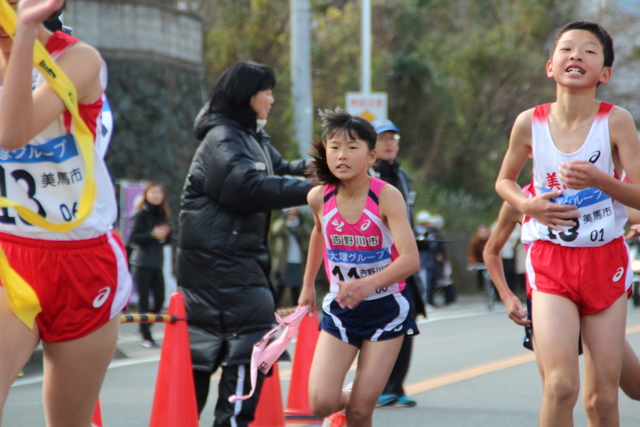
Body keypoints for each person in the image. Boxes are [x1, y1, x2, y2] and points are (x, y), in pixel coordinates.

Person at [495, 21, 640, 426]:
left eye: (589, 51)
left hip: (604, 262)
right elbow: (503, 181)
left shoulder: (617, 121)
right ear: (550, 66)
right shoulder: (529, 122)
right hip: (551, 260)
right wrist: (531, 205)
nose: (576, 55)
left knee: (602, 400)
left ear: (604, 74)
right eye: (566, 49)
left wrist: (601, 181)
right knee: (560, 387)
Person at [0, 1, 132, 425]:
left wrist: (23, 31)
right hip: (9, 257)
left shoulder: (78, 59)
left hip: (83, 262)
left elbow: (13, 132)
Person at [176, 61, 313, 426]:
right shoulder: (223, 138)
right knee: (250, 342)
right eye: (266, 91)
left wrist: (321, 168)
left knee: (207, 354)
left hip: (232, 261)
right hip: (219, 264)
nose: (271, 98)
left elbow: (277, 167)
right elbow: (246, 188)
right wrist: (317, 192)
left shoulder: (248, 136)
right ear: (247, 95)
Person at [299, 109, 420, 427]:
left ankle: (358, 402)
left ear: (371, 156)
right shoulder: (318, 198)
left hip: (386, 309)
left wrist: (369, 284)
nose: (342, 155)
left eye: (353, 147)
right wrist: (308, 284)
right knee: (320, 403)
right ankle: (351, 398)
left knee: (360, 413)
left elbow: (410, 259)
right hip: (341, 308)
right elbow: (318, 232)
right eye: (334, 147)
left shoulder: (386, 196)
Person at [483, 200, 640, 401]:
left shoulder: (600, 193)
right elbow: (491, 251)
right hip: (549, 298)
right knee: (558, 389)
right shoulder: (521, 198)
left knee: (634, 388)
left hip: (595, 295)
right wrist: (506, 296)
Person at [370, 118, 425, 408]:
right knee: (379, 323)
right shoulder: (366, 175)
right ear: (371, 146)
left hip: (404, 261)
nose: (389, 143)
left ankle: (396, 386)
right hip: (377, 264)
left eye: (393, 138)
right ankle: (377, 386)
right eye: (382, 138)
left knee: (407, 320)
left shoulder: (403, 176)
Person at [128, 182, 171, 348]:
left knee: (160, 299)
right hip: (141, 263)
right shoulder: (140, 214)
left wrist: (165, 235)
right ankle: (146, 335)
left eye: (159, 193)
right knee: (144, 301)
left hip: (156, 263)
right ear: (146, 195)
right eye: (153, 193)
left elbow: (166, 240)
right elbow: (133, 238)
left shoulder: (163, 215)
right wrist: (151, 234)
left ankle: (143, 327)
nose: (156, 196)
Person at [270, 206, 311, 307]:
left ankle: (295, 314)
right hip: (283, 262)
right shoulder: (282, 224)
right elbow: (276, 230)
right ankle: (274, 312)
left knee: (296, 290)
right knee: (280, 288)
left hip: (297, 261)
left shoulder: (298, 225)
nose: (292, 215)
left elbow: (308, 234)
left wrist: (300, 220)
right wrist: (285, 218)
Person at [467, 224, 491, 291]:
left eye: (485, 232)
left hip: (490, 260)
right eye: (481, 232)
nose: (483, 234)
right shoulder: (475, 241)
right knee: (480, 275)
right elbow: (472, 253)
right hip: (480, 261)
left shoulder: (491, 239)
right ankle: (481, 288)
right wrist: (472, 263)